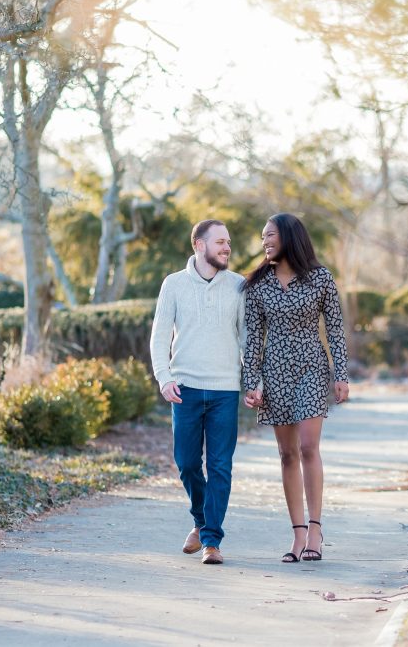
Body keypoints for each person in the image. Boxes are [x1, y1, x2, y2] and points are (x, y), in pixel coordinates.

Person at [242, 212, 350, 563]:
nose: (265, 241)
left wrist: (341, 374)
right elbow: (253, 339)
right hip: (274, 373)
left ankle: (316, 529)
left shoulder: (320, 279)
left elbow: (334, 329)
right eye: (263, 236)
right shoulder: (258, 284)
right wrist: (251, 383)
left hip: (312, 369)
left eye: (270, 234)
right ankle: (298, 534)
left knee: (307, 447)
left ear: (288, 237)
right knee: (286, 454)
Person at [150, 219, 246, 565]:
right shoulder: (173, 284)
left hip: (224, 390)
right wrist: (164, 377)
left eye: (229, 242)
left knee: (220, 466)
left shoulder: (238, 286)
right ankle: (201, 521)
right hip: (185, 388)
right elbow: (160, 334)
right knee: (187, 463)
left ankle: (211, 541)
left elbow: (247, 339)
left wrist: (253, 382)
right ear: (200, 245)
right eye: (220, 241)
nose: (227, 248)